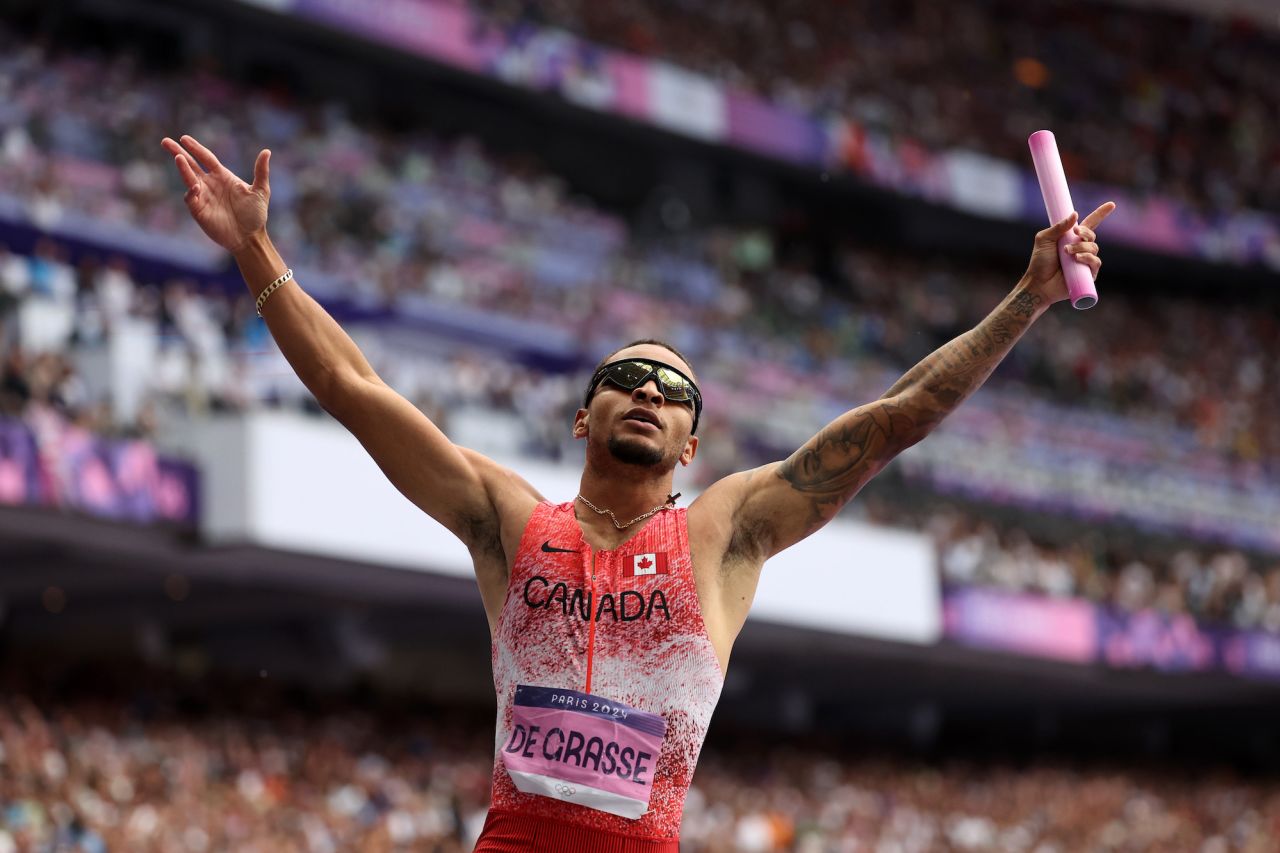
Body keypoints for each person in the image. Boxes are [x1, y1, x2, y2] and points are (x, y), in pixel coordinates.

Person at [161, 134, 1113, 851]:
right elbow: (355, 391)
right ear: (585, 417)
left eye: (676, 392)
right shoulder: (508, 521)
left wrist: (1026, 297)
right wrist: (255, 251)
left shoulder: (727, 533)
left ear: (692, 440)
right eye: (628, 378)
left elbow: (900, 413)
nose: (651, 392)